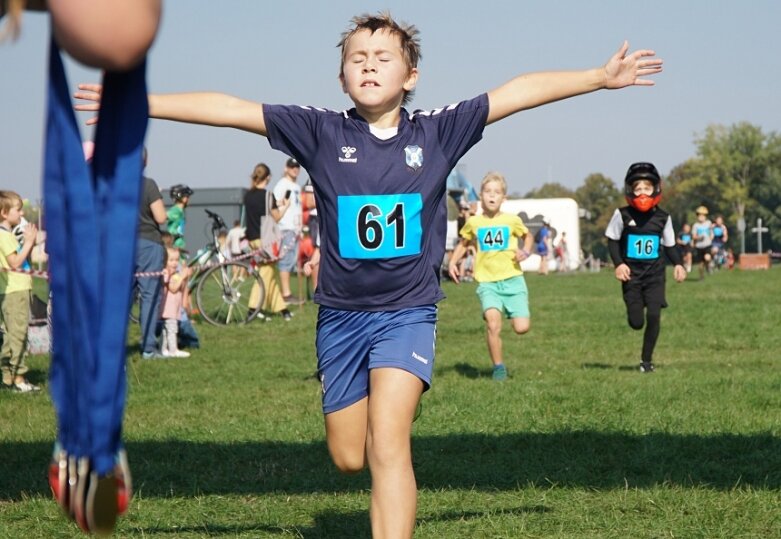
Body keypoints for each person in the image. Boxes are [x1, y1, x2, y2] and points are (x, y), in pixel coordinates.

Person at [75, 12, 662, 537]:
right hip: (340, 317)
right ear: (341, 78)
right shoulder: (321, 131)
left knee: (388, 444)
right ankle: (390, 396)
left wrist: (596, 76)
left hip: (408, 312)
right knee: (348, 456)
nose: (369, 65)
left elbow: (515, 93)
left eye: (384, 57)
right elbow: (230, 110)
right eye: (357, 58)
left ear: (411, 76)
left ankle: (399, 394)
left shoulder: (437, 130)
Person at [448, 172, 534, 381]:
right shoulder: (474, 223)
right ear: (481, 196)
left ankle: (500, 310)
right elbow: (464, 243)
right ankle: (498, 367)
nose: (492, 196)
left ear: (504, 198)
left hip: (513, 280)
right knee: (493, 325)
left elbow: (528, 236)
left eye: (497, 192)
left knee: (522, 328)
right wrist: (452, 262)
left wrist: (526, 251)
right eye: (487, 192)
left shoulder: (512, 220)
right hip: (487, 282)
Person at [604, 163, 687, 373]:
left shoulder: (663, 218)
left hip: (655, 275)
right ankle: (634, 310)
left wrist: (678, 264)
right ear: (630, 190)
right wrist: (619, 264)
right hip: (631, 276)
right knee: (636, 322)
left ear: (656, 189)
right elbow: (612, 240)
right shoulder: (621, 215)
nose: (642, 193)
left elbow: (670, 244)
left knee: (653, 315)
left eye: (647, 188)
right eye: (637, 188)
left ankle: (646, 361)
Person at [243, 163, 294, 321]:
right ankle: (253, 308)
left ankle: (282, 309)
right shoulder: (267, 195)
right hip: (265, 240)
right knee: (265, 274)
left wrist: (276, 203)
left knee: (270, 273)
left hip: (252, 238)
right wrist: (286, 207)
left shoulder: (248, 195)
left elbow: (260, 210)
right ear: (268, 177)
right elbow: (276, 217)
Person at [0, 190, 39, 392]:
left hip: (12, 291)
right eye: (18, 210)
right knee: (18, 335)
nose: (22, 214)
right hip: (16, 292)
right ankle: (19, 379)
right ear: (4, 213)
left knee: (10, 334)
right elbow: (15, 262)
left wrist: (26, 244)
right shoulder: (4, 236)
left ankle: (7, 377)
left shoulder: (6, 235)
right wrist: (30, 241)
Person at [136, 152, 168, 360]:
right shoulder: (148, 185)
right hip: (147, 243)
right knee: (150, 296)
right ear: (145, 160)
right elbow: (161, 217)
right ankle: (148, 347)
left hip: (121, 244)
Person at [272, 158, 303, 303]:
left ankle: (287, 292)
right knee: (286, 259)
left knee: (292, 259)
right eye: (292, 167)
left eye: (297, 166)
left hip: (295, 228)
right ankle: (286, 293)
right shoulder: (282, 185)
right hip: (285, 227)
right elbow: (276, 204)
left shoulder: (296, 186)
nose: (295, 169)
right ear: (286, 168)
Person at [159, 246, 191, 358]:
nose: (174, 263)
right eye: (171, 260)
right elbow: (173, 288)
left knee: (166, 330)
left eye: (176, 260)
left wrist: (185, 277)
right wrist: (182, 277)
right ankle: (173, 350)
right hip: (168, 309)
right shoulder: (166, 274)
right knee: (172, 330)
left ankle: (163, 349)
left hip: (173, 309)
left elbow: (182, 289)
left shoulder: (176, 274)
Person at [167, 183, 193, 250]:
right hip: (174, 245)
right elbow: (164, 216)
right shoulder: (175, 210)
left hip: (180, 243)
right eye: (187, 197)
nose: (188, 199)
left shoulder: (181, 211)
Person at [691, 205, 713, 280]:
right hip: (699, 246)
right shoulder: (695, 225)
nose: (701, 217)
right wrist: (699, 237)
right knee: (700, 264)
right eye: (700, 215)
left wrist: (711, 236)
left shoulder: (708, 223)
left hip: (707, 244)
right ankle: (701, 276)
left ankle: (708, 266)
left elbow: (711, 232)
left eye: (703, 215)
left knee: (707, 258)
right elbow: (694, 236)